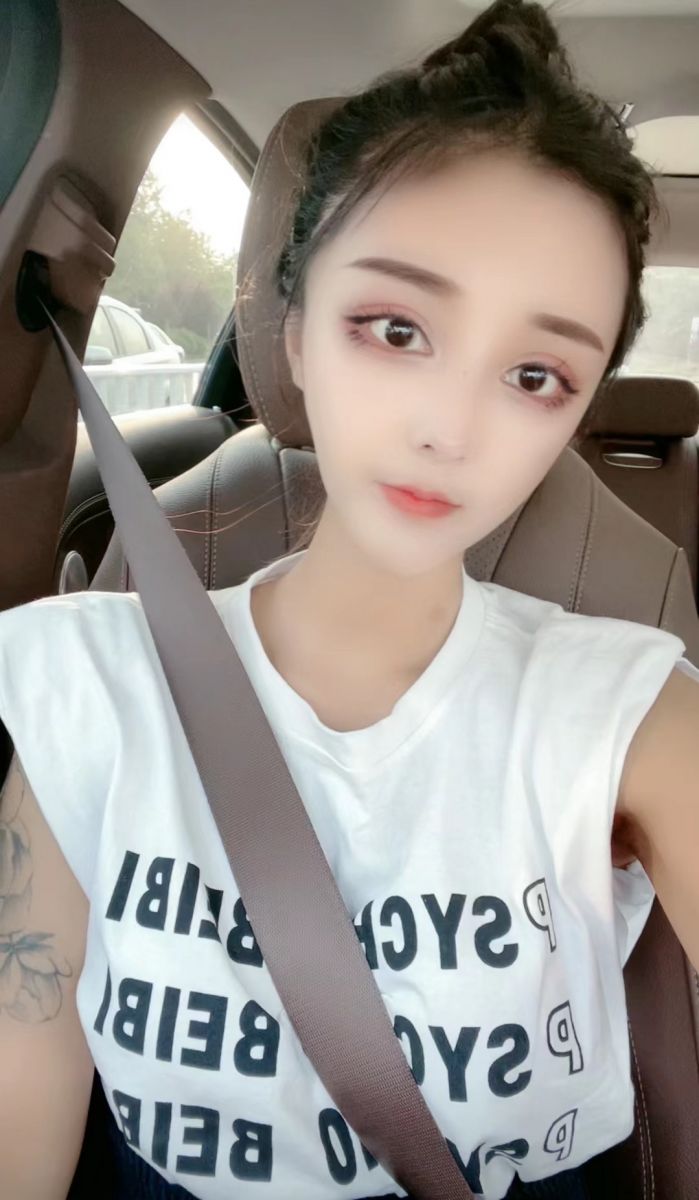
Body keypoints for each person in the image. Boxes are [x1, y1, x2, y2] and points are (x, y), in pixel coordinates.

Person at [1, 1, 698, 1198]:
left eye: (536, 374)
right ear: (296, 333)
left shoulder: (631, 714)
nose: (451, 427)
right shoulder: (94, 689)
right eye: (396, 327)